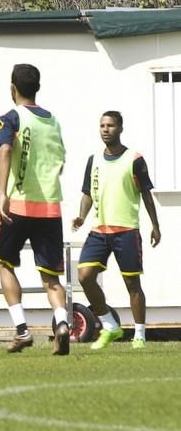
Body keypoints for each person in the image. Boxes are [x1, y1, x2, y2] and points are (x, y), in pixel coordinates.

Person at [0, 63, 69, 356]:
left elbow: (5, 150)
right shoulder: (53, 121)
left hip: (18, 205)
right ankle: (61, 324)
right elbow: (61, 161)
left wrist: (2, 192)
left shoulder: (10, 118)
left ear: (12, 87)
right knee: (51, 277)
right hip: (50, 207)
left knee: (5, 264)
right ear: (37, 88)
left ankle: (22, 330)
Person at [72, 111, 160, 350]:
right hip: (99, 230)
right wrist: (81, 216)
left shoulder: (134, 158)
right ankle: (110, 325)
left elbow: (146, 195)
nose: (105, 129)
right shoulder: (93, 159)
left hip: (126, 231)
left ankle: (139, 334)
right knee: (84, 276)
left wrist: (155, 225)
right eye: (102, 125)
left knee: (132, 285)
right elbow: (88, 193)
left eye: (110, 125)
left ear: (120, 128)